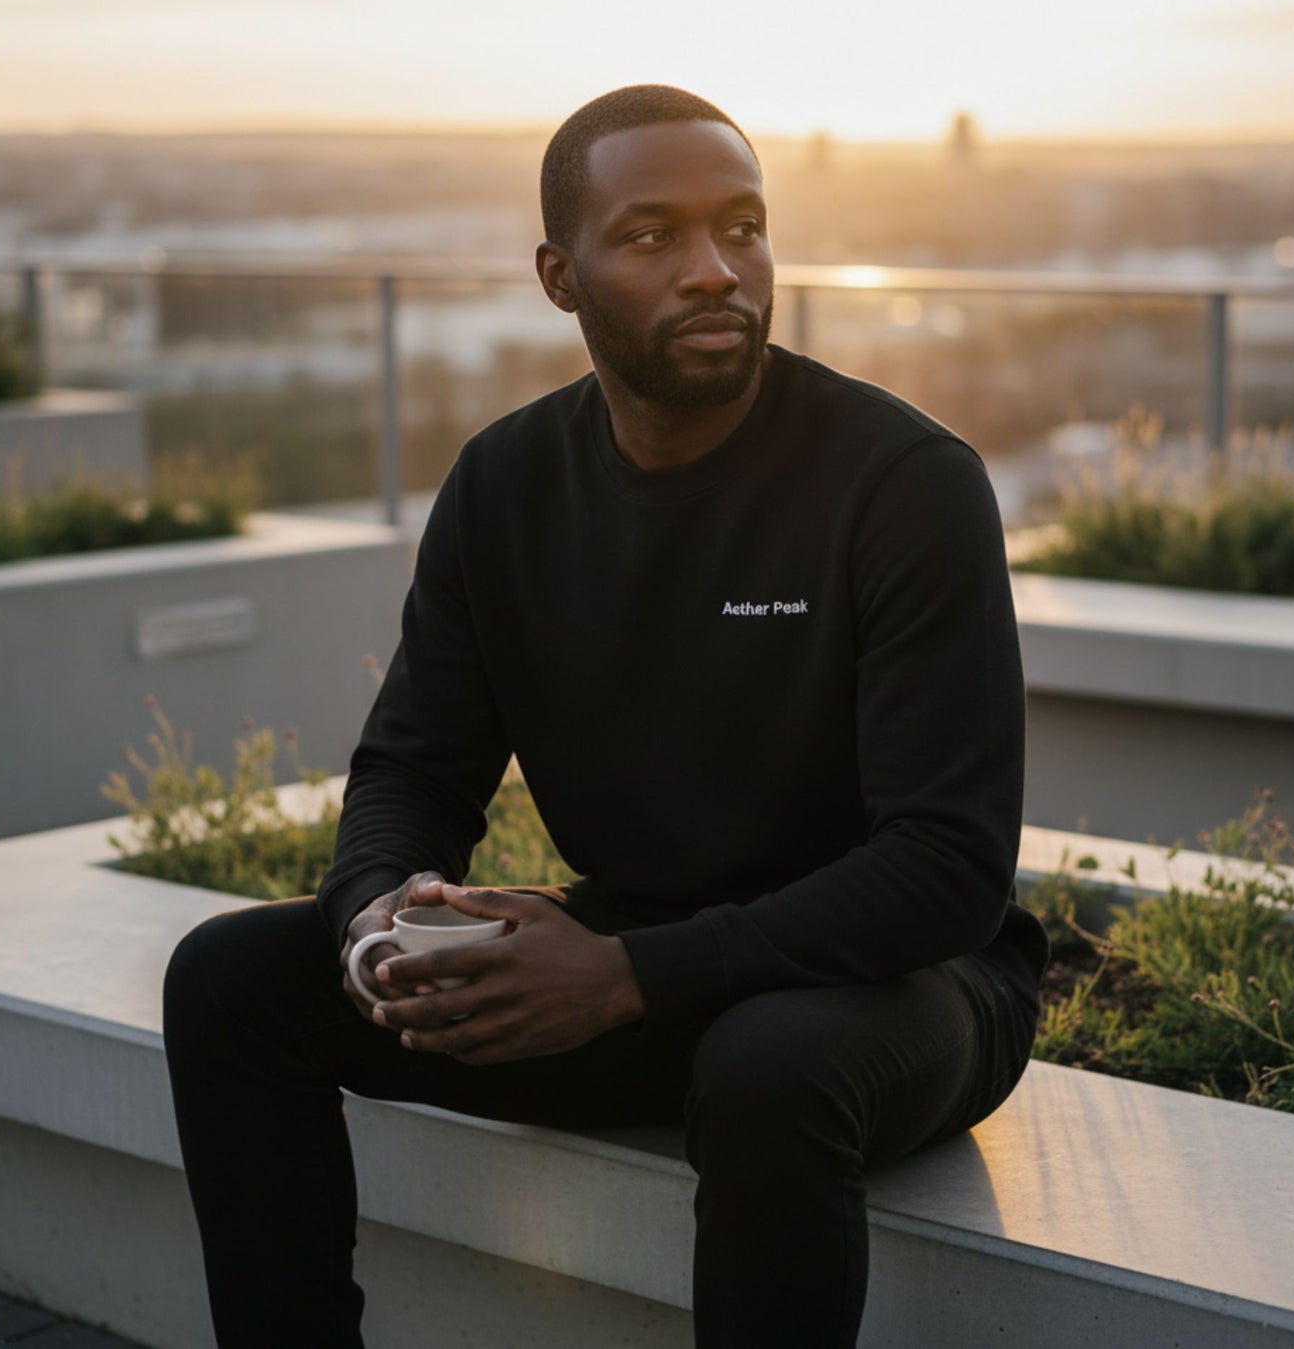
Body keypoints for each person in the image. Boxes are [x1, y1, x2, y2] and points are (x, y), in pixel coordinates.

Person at [163, 83, 1050, 1349]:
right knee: (232, 980)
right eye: (651, 237)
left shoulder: (904, 484)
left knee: (769, 1065)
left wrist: (625, 975)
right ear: (558, 274)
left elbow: (945, 870)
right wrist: (377, 913)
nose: (714, 271)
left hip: (901, 983)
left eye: (741, 228)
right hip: (648, 960)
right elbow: (414, 760)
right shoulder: (505, 482)